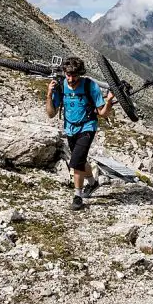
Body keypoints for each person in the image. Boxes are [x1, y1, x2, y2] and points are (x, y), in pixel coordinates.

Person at [46, 56, 114, 210]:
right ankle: (93, 183)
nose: (71, 79)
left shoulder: (90, 86)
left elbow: (102, 113)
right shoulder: (61, 86)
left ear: (81, 74)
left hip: (87, 127)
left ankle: (78, 197)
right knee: (81, 160)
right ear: (65, 73)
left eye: (74, 76)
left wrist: (109, 102)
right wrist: (49, 94)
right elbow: (51, 113)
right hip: (70, 128)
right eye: (68, 75)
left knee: (75, 161)